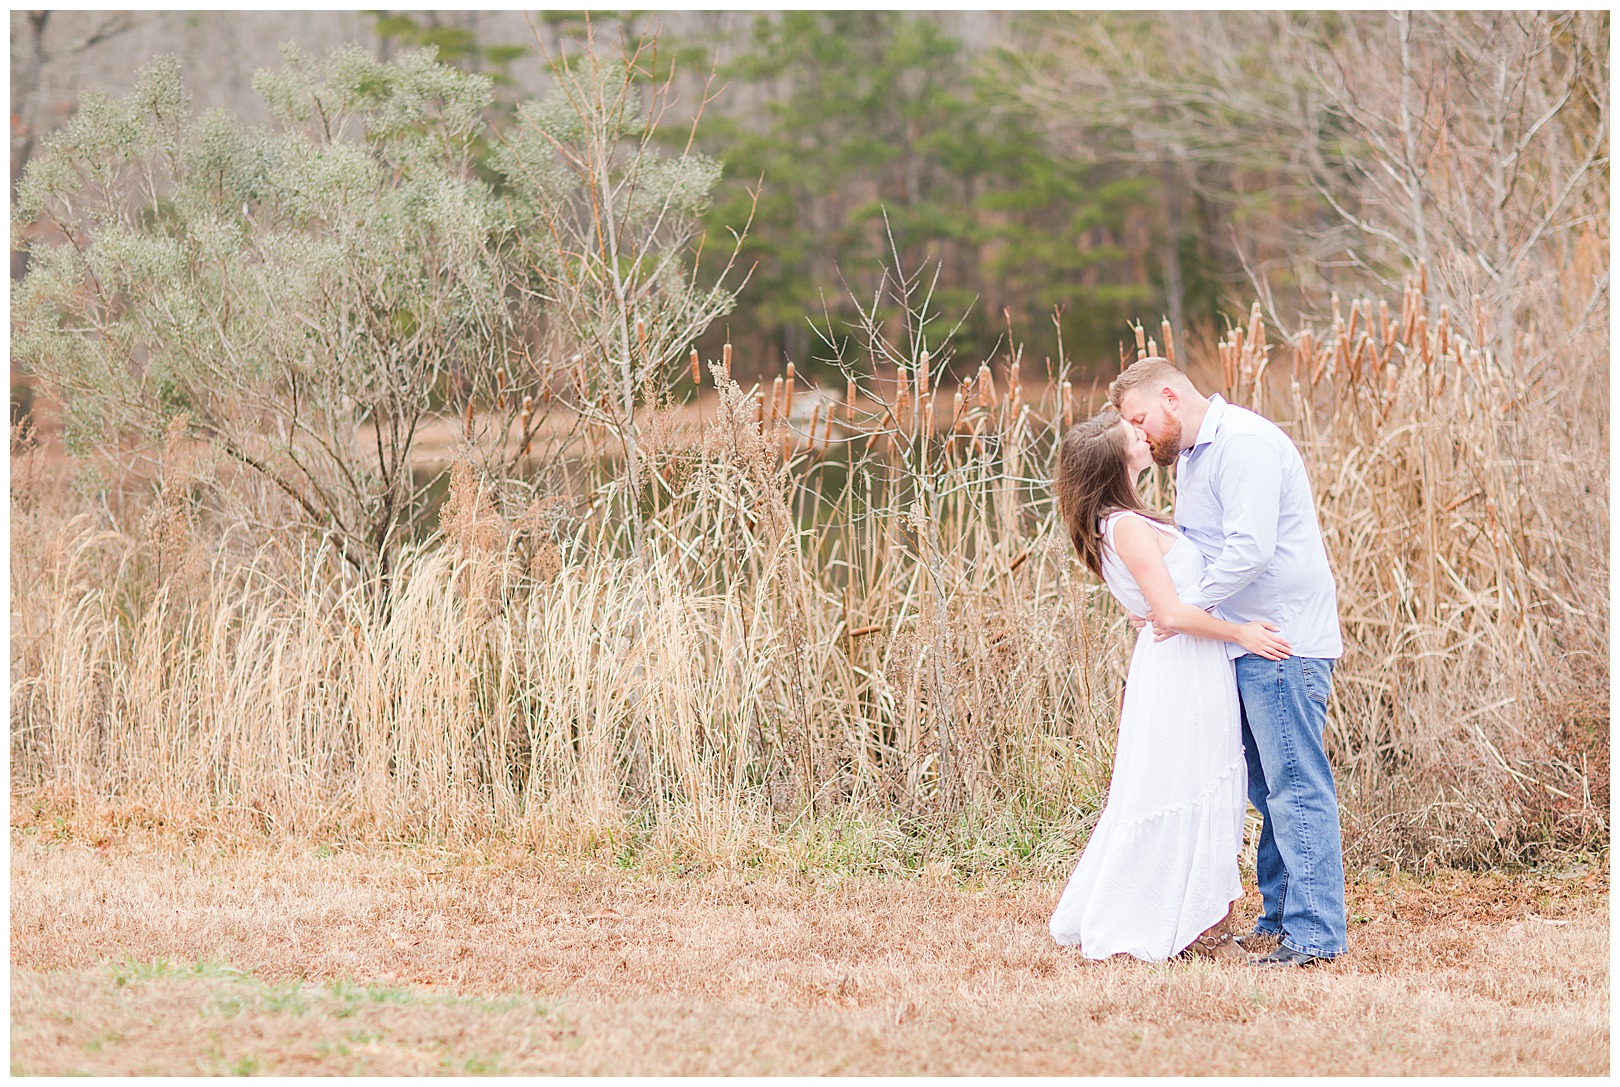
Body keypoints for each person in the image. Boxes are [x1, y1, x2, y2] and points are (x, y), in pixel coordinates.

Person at [1110, 357, 1346, 968]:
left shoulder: (1241, 443)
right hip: (1241, 641)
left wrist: (1181, 609)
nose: (1141, 433)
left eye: (1140, 418)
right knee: (1268, 791)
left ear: (1169, 396)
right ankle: (1278, 919)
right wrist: (1168, 608)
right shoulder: (1193, 458)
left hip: (1281, 641)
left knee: (1295, 786)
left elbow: (1250, 548)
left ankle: (1316, 935)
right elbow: (1203, 550)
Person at [1048, 406, 1292, 963]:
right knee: (1187, 784)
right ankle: (1181, 921)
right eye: (1132, 433)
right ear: (1116, 459)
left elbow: (1154, 609)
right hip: (1181, 665)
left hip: (1181, 663)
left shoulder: (1116, 521)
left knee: (1192, 782)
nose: (1143, 431)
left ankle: (1198, 917)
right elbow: (1173, 614)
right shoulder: (1127, 526)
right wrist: (1243, 632)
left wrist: (1160, 613)